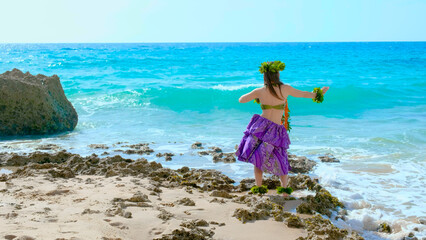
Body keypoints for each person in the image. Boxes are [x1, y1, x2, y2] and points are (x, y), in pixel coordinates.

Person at [235, 61, 329, 197]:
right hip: (276, 130)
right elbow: (303, 94)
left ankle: (259, 189)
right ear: (277, 75)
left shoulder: (260, 91)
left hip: (261, 127)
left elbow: (241, 100)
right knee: (281, 159)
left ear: (265, 77)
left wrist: (258, 96)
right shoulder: (285, 88)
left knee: (258, 159)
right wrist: (319, 93)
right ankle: (285, 191)